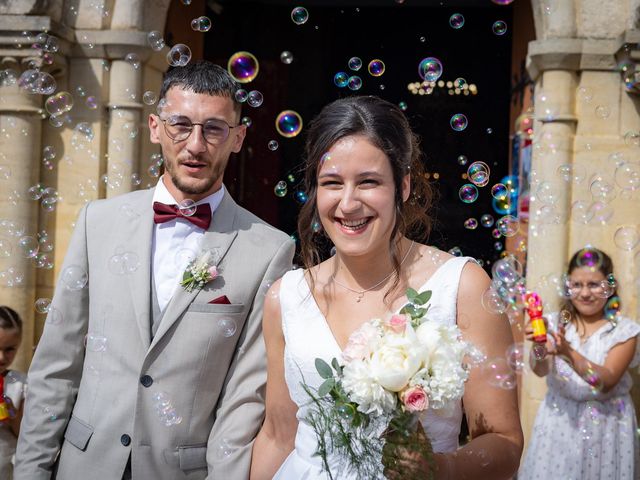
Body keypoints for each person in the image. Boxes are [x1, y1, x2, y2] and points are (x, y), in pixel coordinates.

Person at [15, 61, 295, 480]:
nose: (195, 145)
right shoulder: (98, 222)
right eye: (180, 124)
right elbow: (57, 363)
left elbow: (245, 396)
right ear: (154, 127)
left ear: (238, 138)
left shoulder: (271, 249)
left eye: (214, 128)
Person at [250, 95, 523, 479]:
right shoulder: (286, 297)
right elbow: (278, 436)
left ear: (405, 185)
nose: (348, 203)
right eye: (331, 183)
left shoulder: (461, 286)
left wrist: (439, 469)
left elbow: (504, 441)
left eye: (369, 182)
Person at [519, 247, 640, 479]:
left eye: (594, 284)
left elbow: (607, 380)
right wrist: (539, 346)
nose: (584, 293)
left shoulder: (624, 331)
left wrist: (567, 352)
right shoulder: (553, 322)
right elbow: (540, 369)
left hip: (607, 425)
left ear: (610, 287)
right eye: (576, 285)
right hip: (558, 420)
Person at [0, 306, 26, 479]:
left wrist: (13, 415)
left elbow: (25, 435)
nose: (1, 357)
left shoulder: (20, 384)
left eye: (9, 349)